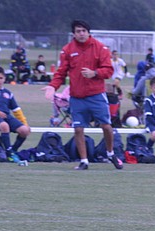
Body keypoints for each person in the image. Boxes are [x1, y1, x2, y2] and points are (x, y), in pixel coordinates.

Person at [43, 19, 123, 171]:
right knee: (78, 129)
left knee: (106, 126)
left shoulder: (100, 48)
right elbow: (61, 73)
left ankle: (110, 153)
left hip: (96, 95)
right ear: (73, 33)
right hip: (77, 97)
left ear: (88, 32)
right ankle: (84, 161)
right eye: (78, 31)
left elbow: (109, 71)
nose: (81, 34)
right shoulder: (67, 50)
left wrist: (95, 73)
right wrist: (52, 87)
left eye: (83, 31)